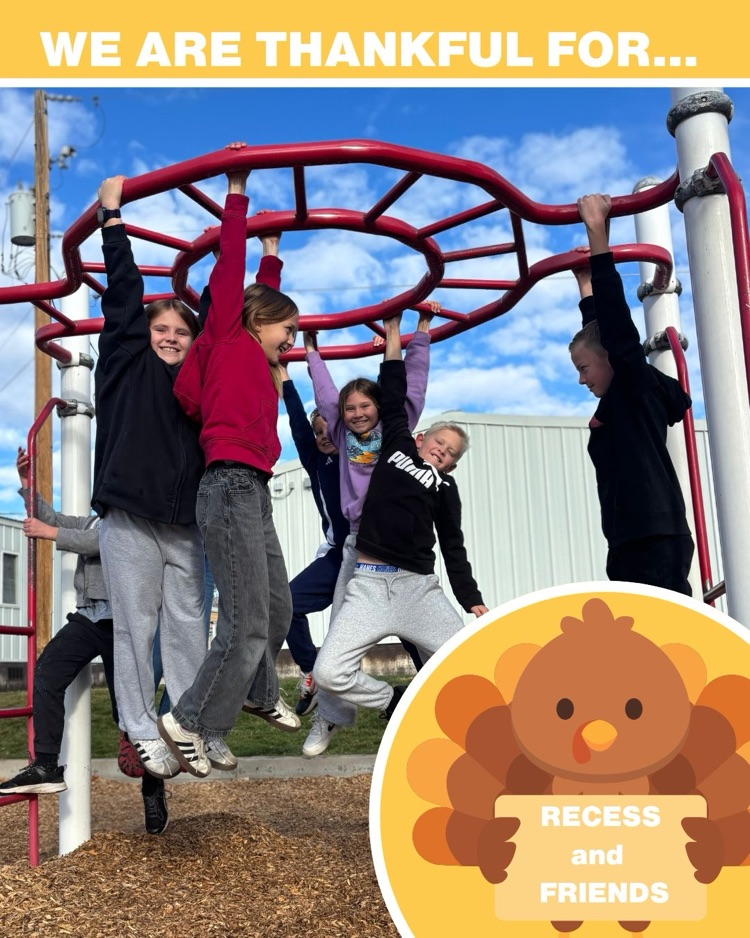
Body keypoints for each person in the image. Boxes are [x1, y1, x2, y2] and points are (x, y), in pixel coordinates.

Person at [158, 143, 300, 777]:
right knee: (242, 620)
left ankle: (255, 694)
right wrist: (236, 189)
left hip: (253, 489)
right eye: (287, 331)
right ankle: (187, 719)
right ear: (259, 321)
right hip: (228, 488)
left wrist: (274, 255)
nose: (291, 344)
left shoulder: (254, 361)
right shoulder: (225, 335)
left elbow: (260, 289)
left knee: (277, 610)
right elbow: (233, 275)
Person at [311, 313, 487, 734]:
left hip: (416, 586)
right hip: (368, 580)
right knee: (329, 672)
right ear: (421, 437)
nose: (442, 452)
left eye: (451, 454)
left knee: (466, 664)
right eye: (439, 443)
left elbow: (453, 545)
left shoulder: (445, 489)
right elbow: (394, 392)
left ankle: (465, 734)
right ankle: (394, 699)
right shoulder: (397, 446)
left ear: (454, 466)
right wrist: (397, 333)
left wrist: (471, 597)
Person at [92, 173, 207, 781]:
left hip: (185, 520)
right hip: (130, 514)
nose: (170, 337)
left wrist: (240, 250)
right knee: (136, 627)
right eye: (161, 329)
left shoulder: (196, 384)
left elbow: (226, 323)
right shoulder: (125, 363)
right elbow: (124, 292)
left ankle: (183, 722)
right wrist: (114, 216)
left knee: (190, 622)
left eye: (180, 333)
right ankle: (139, 730)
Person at [0, 449, 169, 835]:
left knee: (128, 713)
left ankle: (152, 787)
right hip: (91, 617)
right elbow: (55, 520)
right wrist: (28, 488)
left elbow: (98, 543)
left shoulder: (136, 522)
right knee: (47, 671)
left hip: (125, 622)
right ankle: (46, 764)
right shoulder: (98, 518)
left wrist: (53, 534)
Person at [301, 305, 435, 755]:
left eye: (365, 406)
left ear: (380, 407)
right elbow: (323, 395)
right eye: (351, 408)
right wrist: (311, 351)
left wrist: (419, 332)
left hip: (400, 546)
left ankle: (446, 705)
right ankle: (334, 715)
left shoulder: (399, 429)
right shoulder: (340, 435)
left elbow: (409, 382)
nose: (357, 414)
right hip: (360, 547)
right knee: (341, 629)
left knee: (428, 635)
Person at [569, 193, 694, 595]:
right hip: (628, 537)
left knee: (665, 631)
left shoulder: (632, 387)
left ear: (611, 360)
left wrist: (597, 233)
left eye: (583, 369)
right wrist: (585, 284)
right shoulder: (621, 392)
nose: (582, 379)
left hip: (655, 536)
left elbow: (615, 328)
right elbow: (599, 334)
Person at [279, 366, 349, 716]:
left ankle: (428, 677)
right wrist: (284, 377)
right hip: (338, 558)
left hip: (375, 555)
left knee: (404, 621)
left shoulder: (361, 458)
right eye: (318, 431)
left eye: (329, 429)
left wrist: (390, 349)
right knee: (286, 603)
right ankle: (312, 670)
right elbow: (295, 423)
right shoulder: (317, 461)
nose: (323, 435)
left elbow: (386, 414)